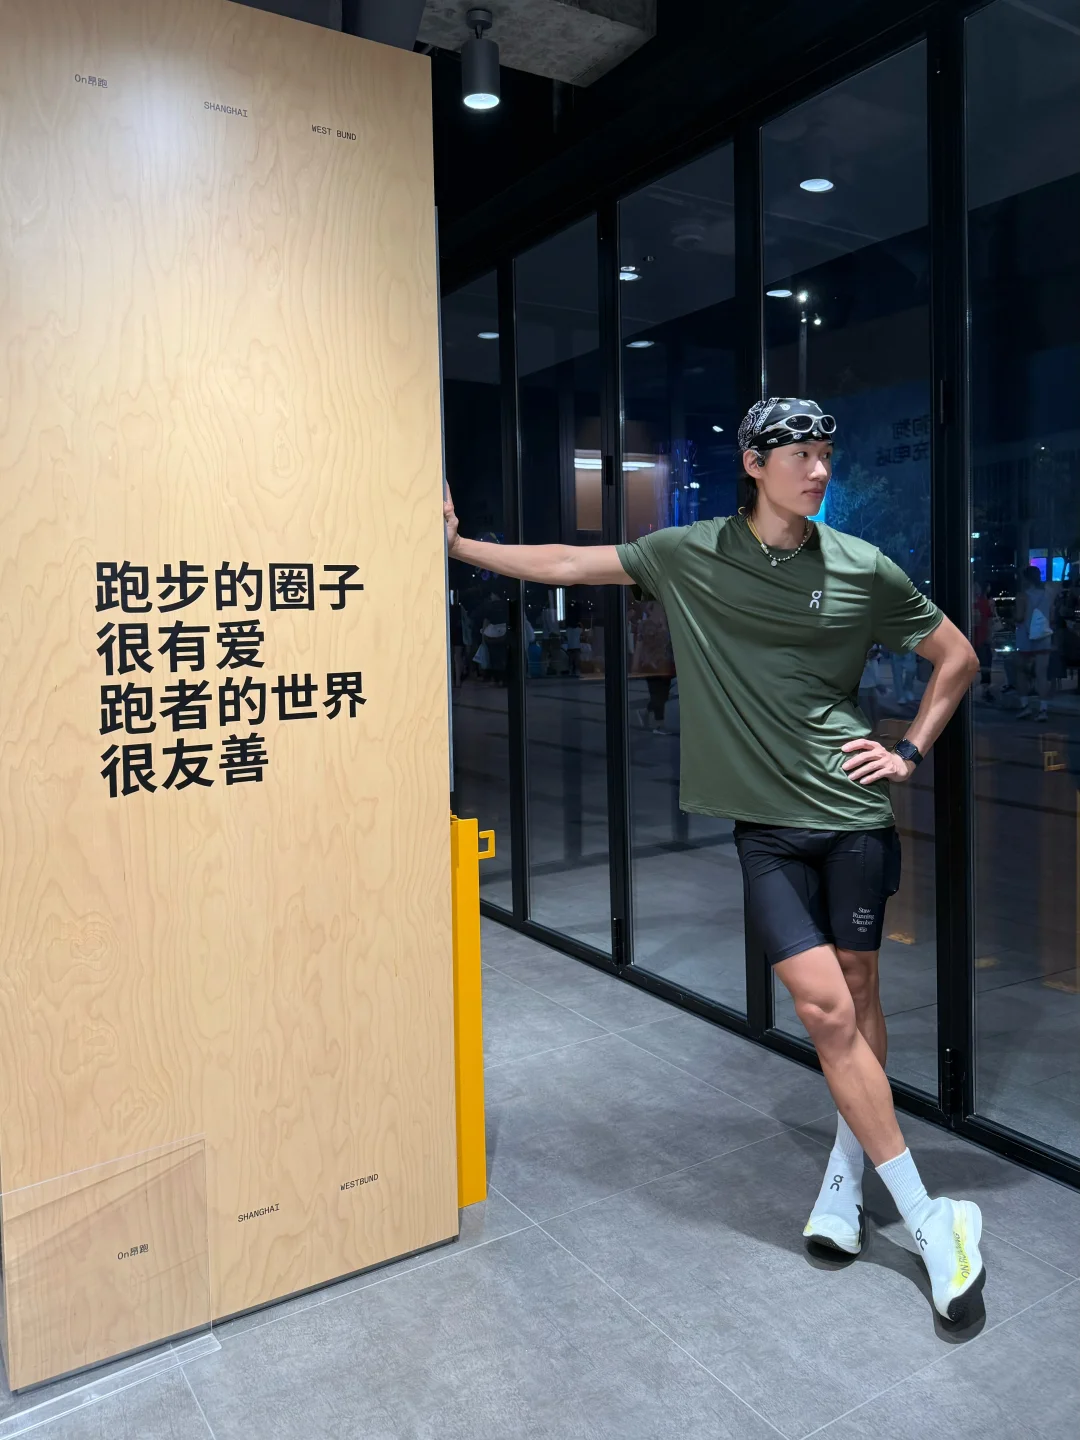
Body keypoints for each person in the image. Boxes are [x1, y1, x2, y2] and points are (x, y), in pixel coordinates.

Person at [444, 397, 986, 1326]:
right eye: (799, 455)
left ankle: (845, 1176)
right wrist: (461, 549)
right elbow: (572, 562)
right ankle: (932, 1216)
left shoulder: (861, 566)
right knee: (822, 1008)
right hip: (765, 829)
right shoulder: (690, 554)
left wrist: (908, 750)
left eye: (826, 454)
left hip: (852, 816)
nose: (819, 471)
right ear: (753, 464)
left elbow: (958, 656)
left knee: (858, 992)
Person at [630, 599, 676, 734]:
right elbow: (639, 645)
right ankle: (660, 724)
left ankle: (645, 711)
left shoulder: (668, 624)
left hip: (666, 665)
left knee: (663, 695)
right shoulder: (644, 625)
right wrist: (635, 664)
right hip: (650, 665)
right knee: (657, 695)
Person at [1014, 565, 1051, 721]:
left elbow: (1019, 617)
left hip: (1026, 637)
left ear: (1026, 579)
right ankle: (1043, 709)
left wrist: (1013, 618)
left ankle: (1025, 706)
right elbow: (1052, 616)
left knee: (1021, 671)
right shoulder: (1047, 594)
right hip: (1043, 637)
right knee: (1042, 674)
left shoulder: (1022, 596)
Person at [971, 580, 996, 702]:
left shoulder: (973, 603)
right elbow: (991, 621)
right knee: (986, 665)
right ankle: (985, 691)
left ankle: (981, 690)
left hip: (975, 638)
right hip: (981, 638)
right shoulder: (985, 603)